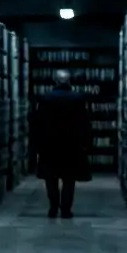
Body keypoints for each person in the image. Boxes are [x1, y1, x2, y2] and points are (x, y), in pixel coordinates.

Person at [34, 68, 92, 218]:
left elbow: (38, 124)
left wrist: (37, 145)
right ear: (69, 81)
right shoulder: (78, 99)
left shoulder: (45, 99)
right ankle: (66, 209)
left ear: (55, 80)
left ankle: (53, 207)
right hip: (71, 145)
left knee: (50, 179)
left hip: (49, 145)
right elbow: (84, 123)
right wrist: (85, 143)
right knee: (69, 179)